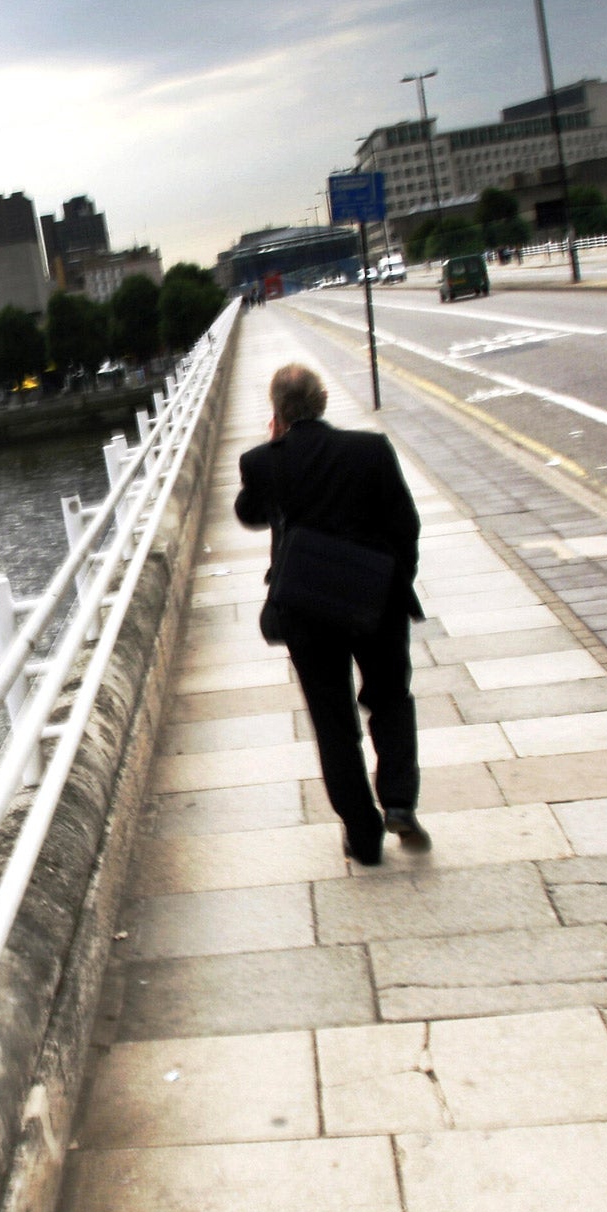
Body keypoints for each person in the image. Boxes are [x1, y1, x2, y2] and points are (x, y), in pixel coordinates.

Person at [234, 364, 427, 866]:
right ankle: (400, 800)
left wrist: (274, 445)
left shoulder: (262, 463)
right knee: (390, 698)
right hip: (375, 600)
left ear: (277, 410)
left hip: (305, 610)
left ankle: (363, 835)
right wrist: (393, 579)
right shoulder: (370, 451)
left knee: (333, 722)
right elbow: (406, 525)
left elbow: (249, 512)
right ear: (322, 400)